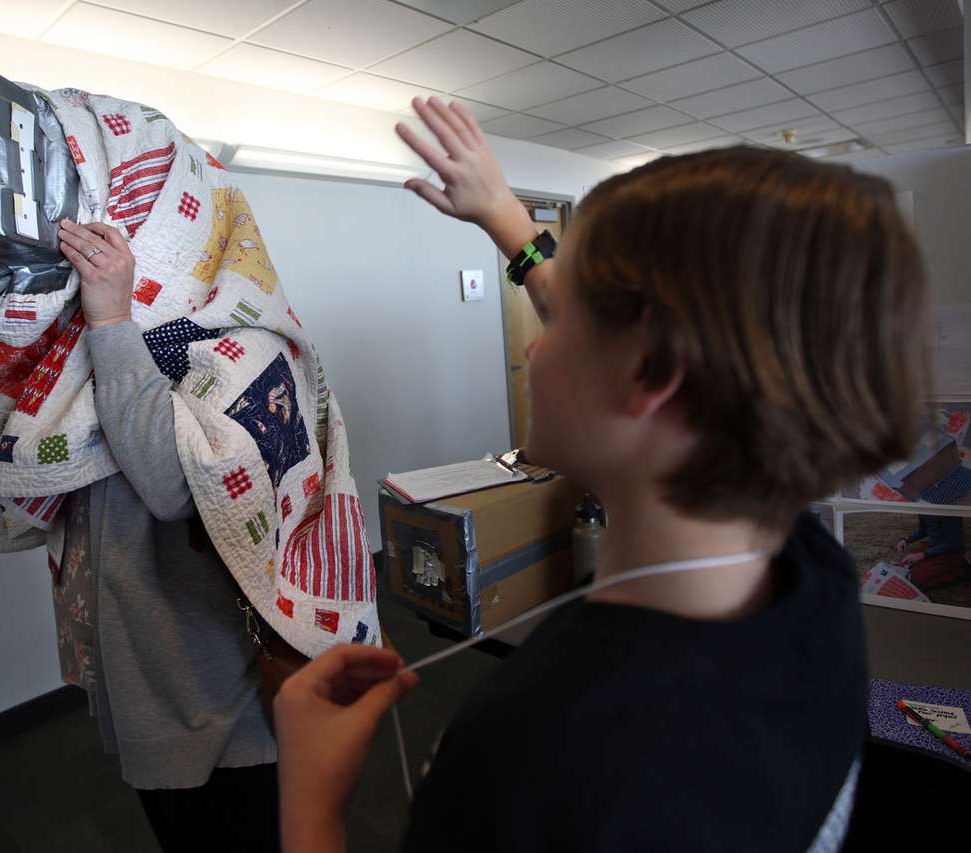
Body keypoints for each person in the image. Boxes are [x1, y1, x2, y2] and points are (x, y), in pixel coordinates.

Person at [274, 96, 929, 852]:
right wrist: (506, 219)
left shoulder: (540, 754)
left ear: (652, 370)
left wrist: (312, 806)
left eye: (572, 313)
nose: (539, 346)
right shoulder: (813, 581)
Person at [55, 218, 279, 852]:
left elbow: (175, 487)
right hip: (145, 667)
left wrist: (111, 324)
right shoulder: (108, 335)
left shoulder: (246, 341)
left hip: (217, 690)